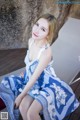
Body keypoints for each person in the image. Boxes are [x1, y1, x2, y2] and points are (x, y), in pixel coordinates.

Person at [0, 13, 79, 120]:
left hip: (46, 83)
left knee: (31, 113)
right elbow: (30, 64)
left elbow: (34, 78)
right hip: (32, 81)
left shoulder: (46, 53)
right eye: (37, 25)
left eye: (43, 29)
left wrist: (20, 96)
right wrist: (27, 71)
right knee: (23, 107)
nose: (36, 30)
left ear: (48, 34)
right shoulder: (31, 41)